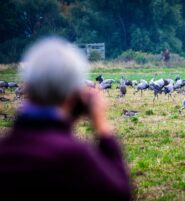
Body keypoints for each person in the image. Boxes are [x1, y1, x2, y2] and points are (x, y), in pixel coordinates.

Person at [0, 38, 131, 200]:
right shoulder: (74, 156)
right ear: (75, 93)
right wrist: (102, 127)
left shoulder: (5, 152)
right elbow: (120, 193)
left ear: (27, 85)